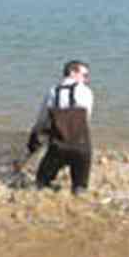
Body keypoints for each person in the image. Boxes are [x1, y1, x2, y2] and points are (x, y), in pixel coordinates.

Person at [27, 60, 93, 195]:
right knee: (80, 188)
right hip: (81, 146)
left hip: (58, 146)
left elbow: (42, 119)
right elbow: (86, 119)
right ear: (72, 72)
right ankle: (78, 191)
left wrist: (36, 135)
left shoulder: (52, 91)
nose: (87, 79)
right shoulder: (86, 92)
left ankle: (47, 186)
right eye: (84, 75)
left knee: (41, 181)